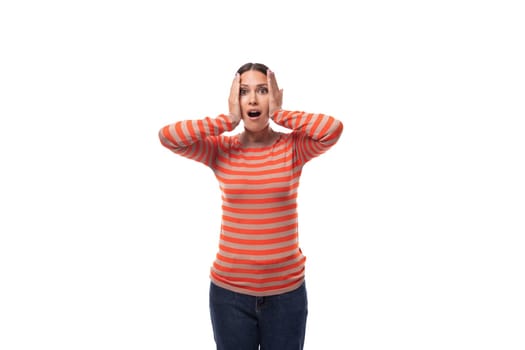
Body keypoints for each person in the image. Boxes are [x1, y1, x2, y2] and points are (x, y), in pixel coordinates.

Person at [158, 62, 343, 350]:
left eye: (263, 90)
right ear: (235, 98)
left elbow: (332, 129)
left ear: (275, 96)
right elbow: (168, 136)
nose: (253, 99)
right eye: (244, 92)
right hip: (229, 296)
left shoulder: (293, 147)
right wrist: (227, 119)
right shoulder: (221, 149)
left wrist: (281, 114)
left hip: (286, 296)